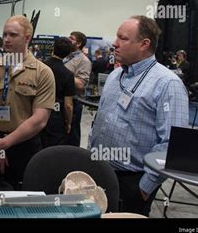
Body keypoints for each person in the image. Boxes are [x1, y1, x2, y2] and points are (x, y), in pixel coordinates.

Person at [89, 15, 189, 216]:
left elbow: (173, 143)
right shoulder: (116, 75)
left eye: (123, 38)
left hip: (132, 182)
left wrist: (144, 187)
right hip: (98, 171)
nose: (115, 44)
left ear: (144, 44)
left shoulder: (167, 84)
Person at [0, 15, 55, 189]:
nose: (6, 39)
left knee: (22, 199)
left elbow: (39, 119)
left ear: (27, 38)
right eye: (4, 34)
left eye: (13, 35)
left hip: (24, 146)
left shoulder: (43, 73)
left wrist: (4, 144)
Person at [40, 37, 75, 147]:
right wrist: (68, 123)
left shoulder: (40, 67)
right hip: (55, 117)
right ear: (68, 54)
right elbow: (68, 105)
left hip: (36, 113)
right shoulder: (68, 74)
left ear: (53, 48)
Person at [64, 31, 92, 147]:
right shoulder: (66, 57)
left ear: (79, 43)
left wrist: (62, 72)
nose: (68, 40)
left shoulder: (84, 61)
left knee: (72, 136)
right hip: (61, 100)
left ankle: (72, 160)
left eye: (72, 38)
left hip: (74, 102)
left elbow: (81, 84)